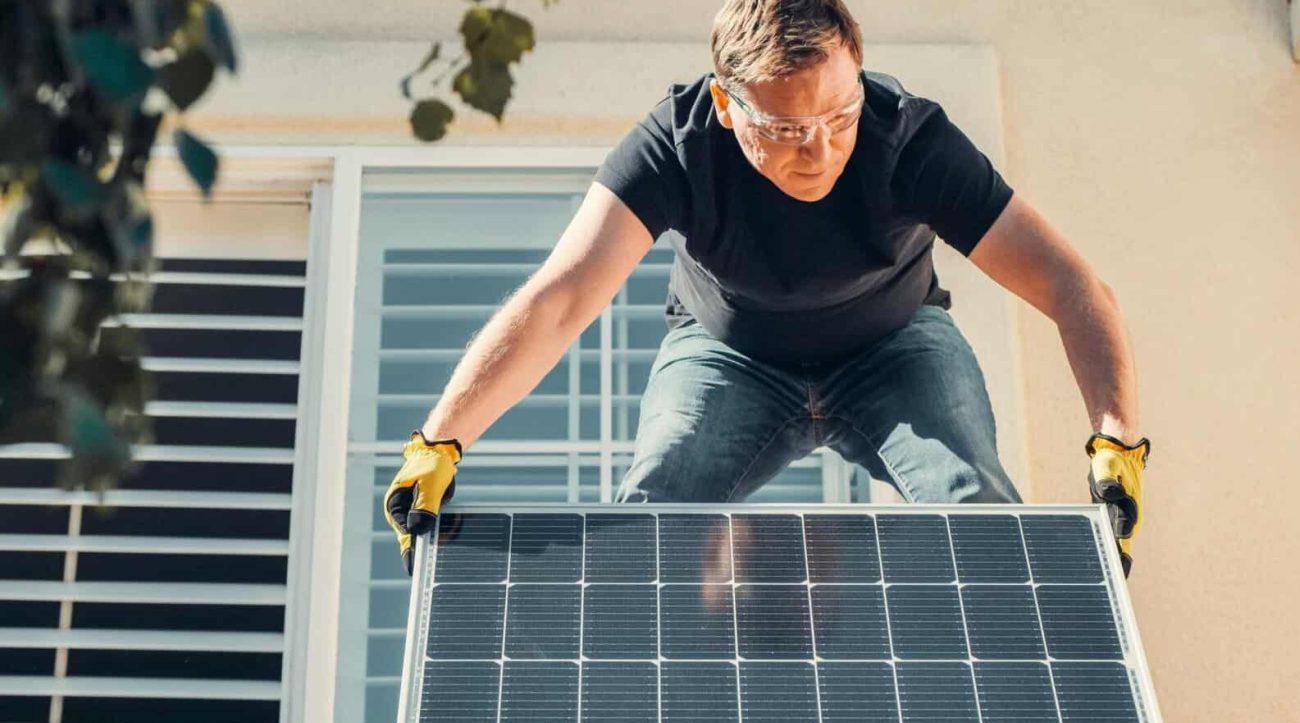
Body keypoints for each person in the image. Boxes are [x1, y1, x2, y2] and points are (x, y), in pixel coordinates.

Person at [384, 0, 1151, 578]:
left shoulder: (913, 142)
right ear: (727, 105)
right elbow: (561, 299)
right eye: (785, 130)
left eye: (840, 114)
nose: (820, 149)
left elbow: (1071, 285)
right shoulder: (677, 146)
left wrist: (1116, 442)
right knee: (652, 509)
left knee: (976, 506)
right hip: (727, 357)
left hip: (896, 347)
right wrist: (440, 441)